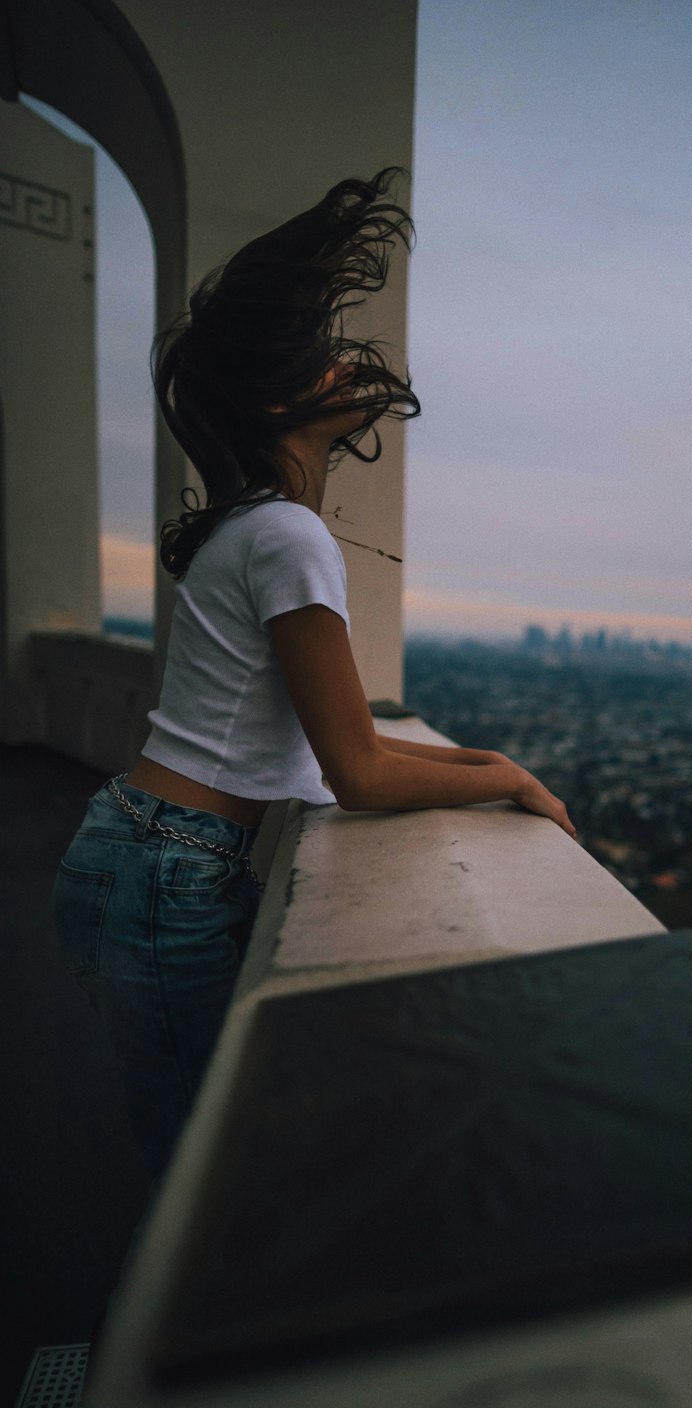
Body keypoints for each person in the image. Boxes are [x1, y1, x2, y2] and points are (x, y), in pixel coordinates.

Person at [52, 169, 574, 1188]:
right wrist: (507, 781)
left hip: (148, 848)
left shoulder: (253, 527)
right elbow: (360, 772)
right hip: (170, 864)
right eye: (316, 353)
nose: (343, 362)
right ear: (271, 396)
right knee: (201, 1176)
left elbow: (356, 746)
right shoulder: (287, 535)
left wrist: (487, 759)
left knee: (194, 1154)